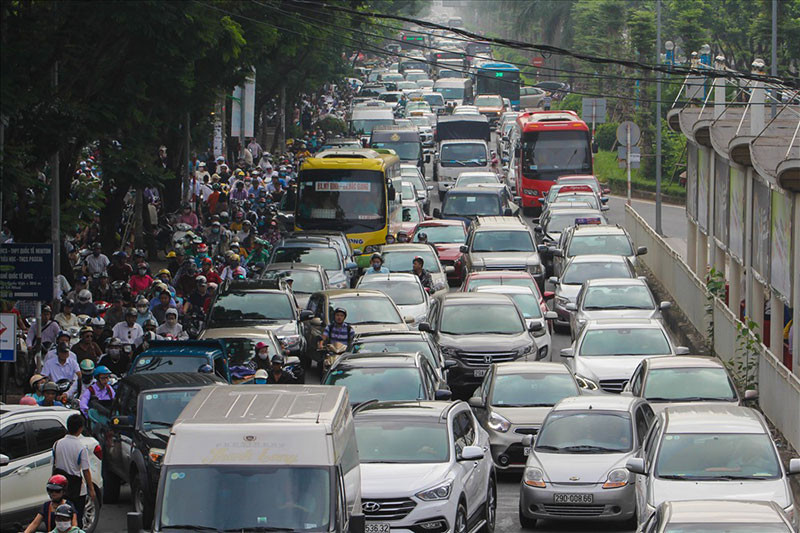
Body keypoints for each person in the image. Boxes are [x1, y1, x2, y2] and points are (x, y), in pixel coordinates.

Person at [52, 414, 96, 527]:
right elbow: (86, 470)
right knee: (77, 519)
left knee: (60, 519)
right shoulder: (81, 447)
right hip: (77, 490)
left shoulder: (57, 444)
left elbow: (54, 464)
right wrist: (91, 489)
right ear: (80, 428)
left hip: (60, 488)